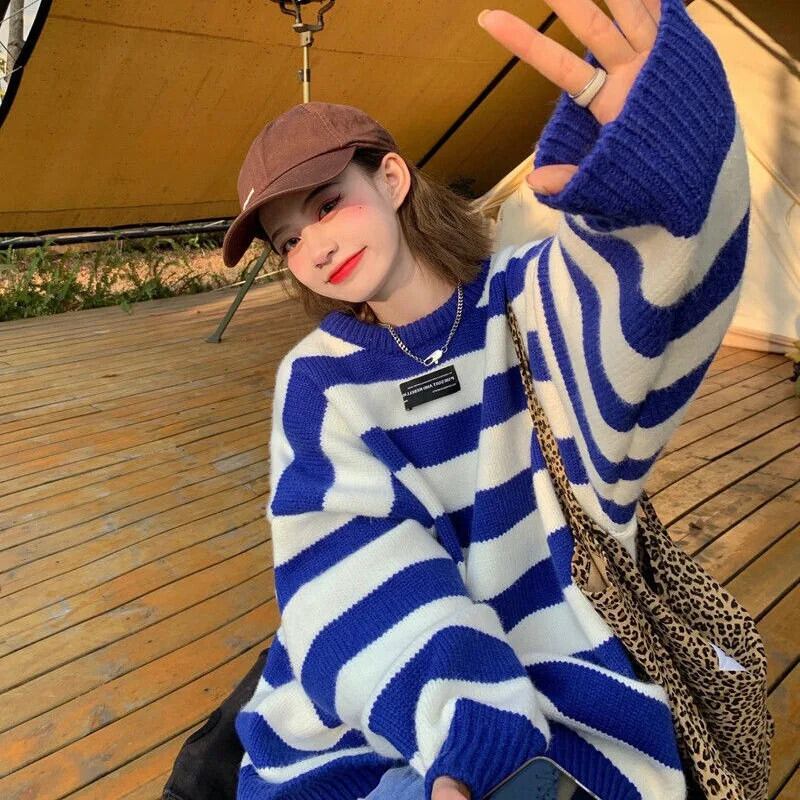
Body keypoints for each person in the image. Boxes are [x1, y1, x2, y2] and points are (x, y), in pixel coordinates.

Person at [220, 0, 749, 798]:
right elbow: (345, 562)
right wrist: (465, 722)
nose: (315, 248)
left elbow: (654, 288)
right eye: (288, 240)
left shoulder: (528, 295)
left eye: (327, 205)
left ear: (391, 177)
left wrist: (668, 149)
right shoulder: (317, 380)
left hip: (564, 659)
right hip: (382, 693)